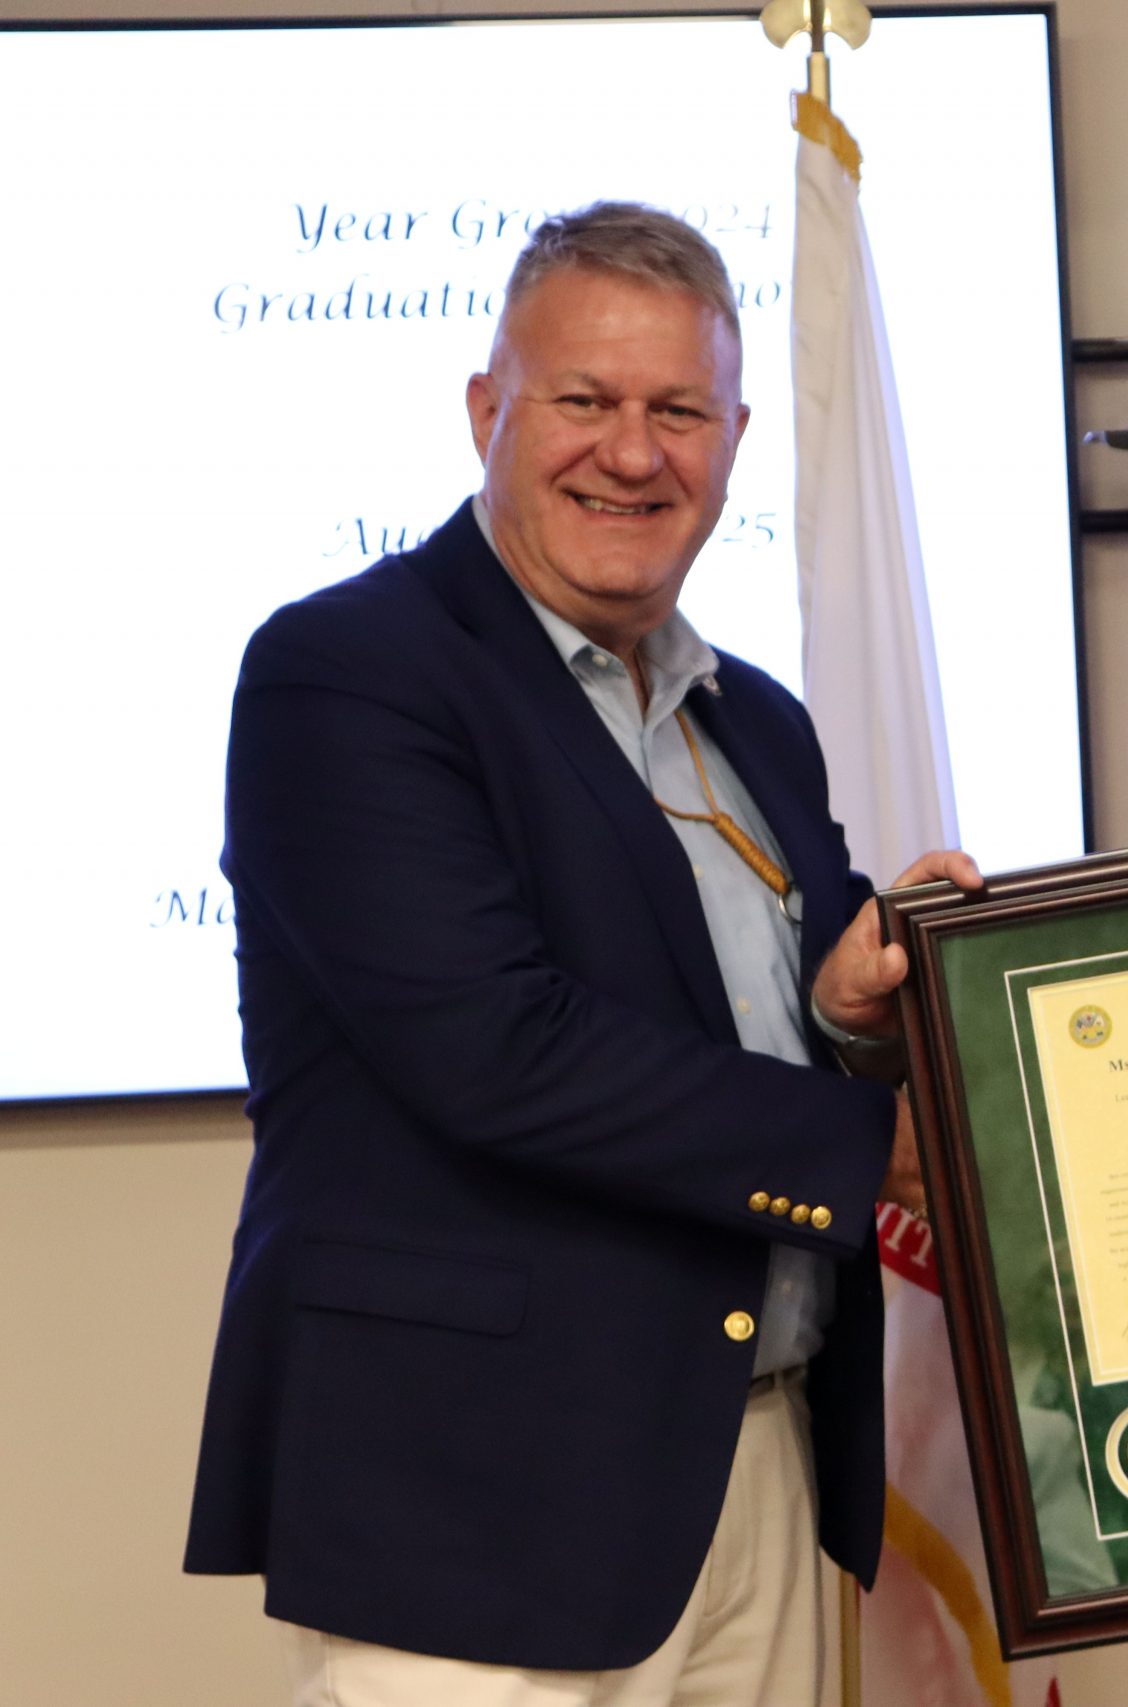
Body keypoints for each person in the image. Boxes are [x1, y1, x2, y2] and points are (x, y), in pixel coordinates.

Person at [183, 201, 977, 1705]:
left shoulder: (755, 721)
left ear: (736, 434)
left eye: (678, 409)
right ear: (489, 411)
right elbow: (499, 1050)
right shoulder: (347, 673)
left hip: (760, 1466)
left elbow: (735, 1018)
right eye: (586, 401)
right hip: (478, 1493)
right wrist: (880, 1142)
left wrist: (857, 1019)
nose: (634, 451)